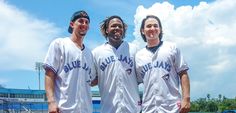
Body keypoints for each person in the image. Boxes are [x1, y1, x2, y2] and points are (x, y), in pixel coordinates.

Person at [135, 15, 190, 113]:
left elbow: (183, 73)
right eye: (148, 26)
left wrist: (186, 99)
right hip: (149, 108)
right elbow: (138, 81)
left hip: (172, 107)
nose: (152, 28)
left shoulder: (172, 47)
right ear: (143, 31)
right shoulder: (138, 56)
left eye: (156, 26)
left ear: (160, 30)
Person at [43, 10, 95, 113]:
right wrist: (51, 102)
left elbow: (92, 80)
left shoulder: (89, 53)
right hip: (64, 109)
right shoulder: (59, 44)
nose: (84, 24)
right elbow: (49, 74)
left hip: (86, 109)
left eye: (86, 22)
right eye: (80, 21)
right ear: (72, 24)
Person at [92, 15, 141, 113]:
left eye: (120, 26)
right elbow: (92, 80)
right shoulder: (96, 53)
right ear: (106, 30)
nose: (117, 28)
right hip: (108, 109)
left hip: (133, 109)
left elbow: (142, 77)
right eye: (114, 26)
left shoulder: (134, 49)